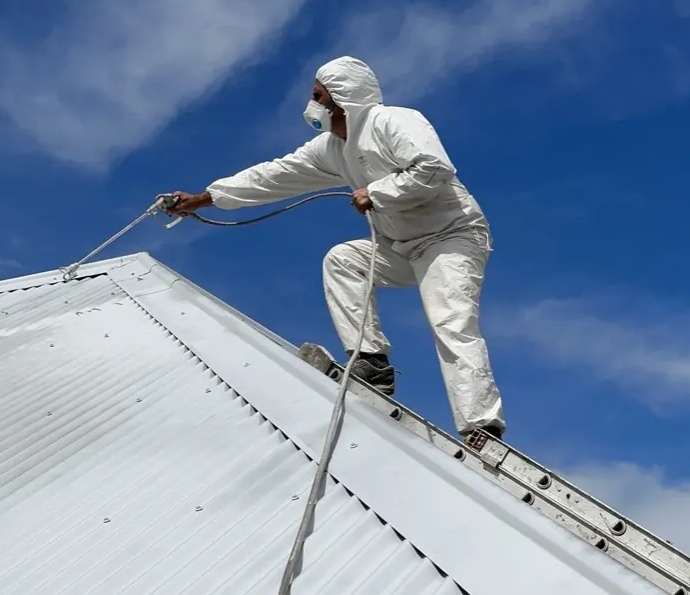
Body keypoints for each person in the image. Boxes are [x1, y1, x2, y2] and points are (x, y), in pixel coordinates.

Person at [163, 56, 506, 443]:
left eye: (318, 95)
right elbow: (273, 175)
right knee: (343, 260)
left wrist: (377, 193)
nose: (311, 104)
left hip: (451, 237)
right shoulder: (331, 148)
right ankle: (371, 361)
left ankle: (481, 425)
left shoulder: (392, 121)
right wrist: (204, 198)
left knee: (449, 320)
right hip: (400, 246)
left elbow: (433, 168)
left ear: (343, 97)